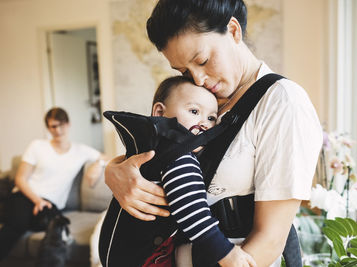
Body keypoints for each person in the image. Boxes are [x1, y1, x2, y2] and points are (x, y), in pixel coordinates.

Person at [105, 0, 323, 266]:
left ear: (233, 31)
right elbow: (162, 152)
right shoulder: (202, 99)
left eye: (203, 60)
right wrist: (114, 170)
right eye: (184, 71)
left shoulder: (282, 103)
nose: (197, 79)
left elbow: (270, 240)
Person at [100, 76, 254, 266]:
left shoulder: (154, 147)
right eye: (194, 111)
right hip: (143, 257)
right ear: (159, 112)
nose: (204, 123)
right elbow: (193, 212)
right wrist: (227, 255)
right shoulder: (178, 156)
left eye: (211, 117)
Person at [0, 107, 109, 267]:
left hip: (51, 205)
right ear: (48, 128)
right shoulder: (37, 146)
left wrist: (99, 164)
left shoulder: (81, 150)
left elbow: (105, 157)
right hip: (25, 196)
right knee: (17, 225)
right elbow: (20, 179)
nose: (58, 130)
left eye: (61, 125)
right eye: (53, 126)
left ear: (68, 124)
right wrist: (37, 201)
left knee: (57, 228)